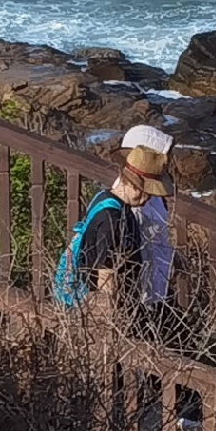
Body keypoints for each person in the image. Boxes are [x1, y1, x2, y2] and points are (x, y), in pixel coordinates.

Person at [53, 125, 174, 309]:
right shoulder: (113, 218)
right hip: (95, 308)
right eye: (147, 191)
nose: (149, 197)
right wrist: (116, 312)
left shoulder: (104, 197)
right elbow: (105, 273)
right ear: (133, 184)